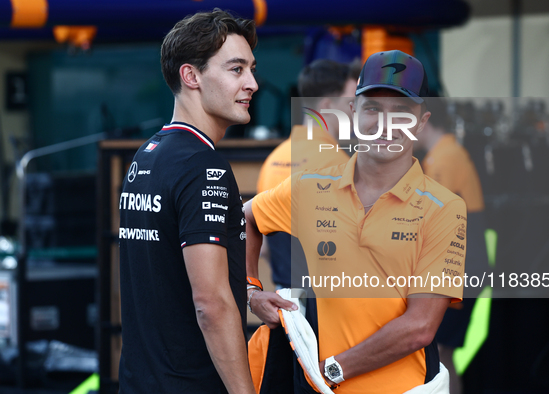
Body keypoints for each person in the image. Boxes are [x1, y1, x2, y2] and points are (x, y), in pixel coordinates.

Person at [245, 50, 467, 393]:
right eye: (373, 108)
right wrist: (250, 290)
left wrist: (331, 371)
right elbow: (245, 219)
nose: (385, 124)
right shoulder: (309, 187)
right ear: (352, 112)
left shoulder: (445, 208)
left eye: (402, 113)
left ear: (422, 123)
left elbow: (420, 326)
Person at [118, 9, 258, 394]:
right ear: (191, 76)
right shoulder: (202, 165)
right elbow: (209, 303)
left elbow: (167, 275)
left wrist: (247, 294)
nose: (252, 83)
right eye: (236, 69)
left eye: (251, 69)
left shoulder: (149, 153)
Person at [256, 59, 360, 289]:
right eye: (351, 103)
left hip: (285, 301)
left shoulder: (273, 160)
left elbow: (263, 245)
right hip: (329, 303)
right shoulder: (339, 165)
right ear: (326, 106)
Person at [414, 97, 489, 394]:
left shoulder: (444, 158)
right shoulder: (443, 154)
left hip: (462, 268)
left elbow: (432, 221)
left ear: (425, 121)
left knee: (440, 354)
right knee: (442, 355)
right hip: (464, 266)